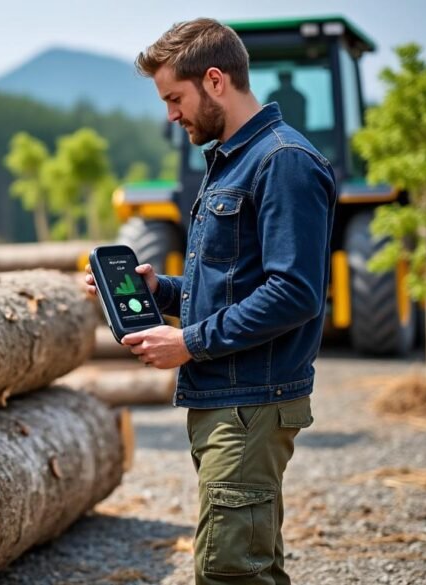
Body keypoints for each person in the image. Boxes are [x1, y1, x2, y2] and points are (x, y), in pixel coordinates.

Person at [85, 18, 335, 585]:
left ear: (216, 80)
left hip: (249, 400)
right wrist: (162, 290)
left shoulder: (282, 162)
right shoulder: (233, 160)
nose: (171, 114)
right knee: (245, 564)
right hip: (229, 396)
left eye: (175, 97)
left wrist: (188, 342)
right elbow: (237, 281)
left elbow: (295, 293)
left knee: (230, 571)